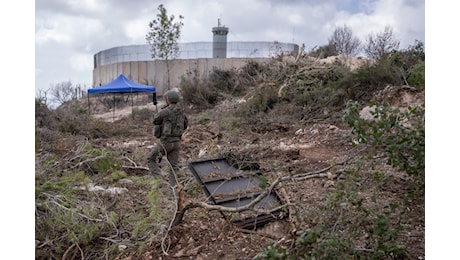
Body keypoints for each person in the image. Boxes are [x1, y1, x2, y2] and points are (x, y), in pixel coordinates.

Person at [147, 90, 188, 187]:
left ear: (167, 99)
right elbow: (185, 125)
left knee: (151, 159)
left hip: (165, 143)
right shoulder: (181, 112)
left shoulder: (165, 111)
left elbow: (155, 121)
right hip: (177, 143)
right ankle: (173, 188)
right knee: (173, 167)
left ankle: (160, 182)